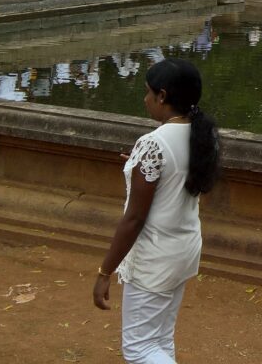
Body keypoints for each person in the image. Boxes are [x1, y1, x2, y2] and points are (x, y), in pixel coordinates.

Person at [92, 58, 220, 364]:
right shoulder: (200, 134)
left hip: (155, 255)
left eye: (148, 92)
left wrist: (104, 271)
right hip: (183, 248)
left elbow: (134, 219)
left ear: (162, 96)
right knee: (160, 338)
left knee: (138, 348)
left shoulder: (153, 143)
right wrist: (136, 164)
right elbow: (173, 174)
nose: (145, 99)